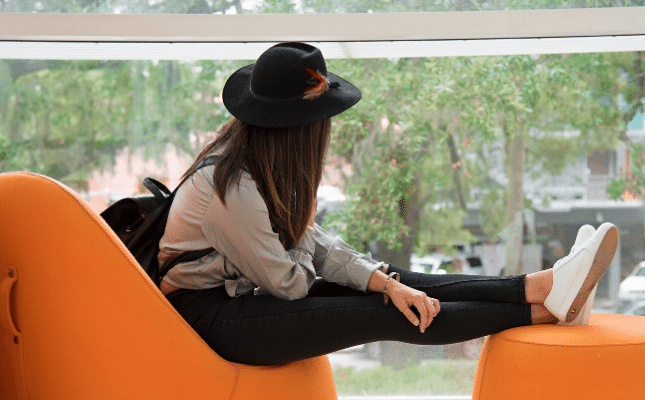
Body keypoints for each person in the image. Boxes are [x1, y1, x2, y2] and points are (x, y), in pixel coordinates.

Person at [158, 42, 619, 367]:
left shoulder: (260, 170)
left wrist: (383, 280)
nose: (328, 131)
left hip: (244, 300)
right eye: (322, 122)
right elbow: (290, 282)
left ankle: (544, 285)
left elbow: (316, 246)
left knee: (400, 286)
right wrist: (369, 282)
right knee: (389, 312)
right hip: (213, 320)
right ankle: (553, 309)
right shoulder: (228, 189)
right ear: (297, 130)